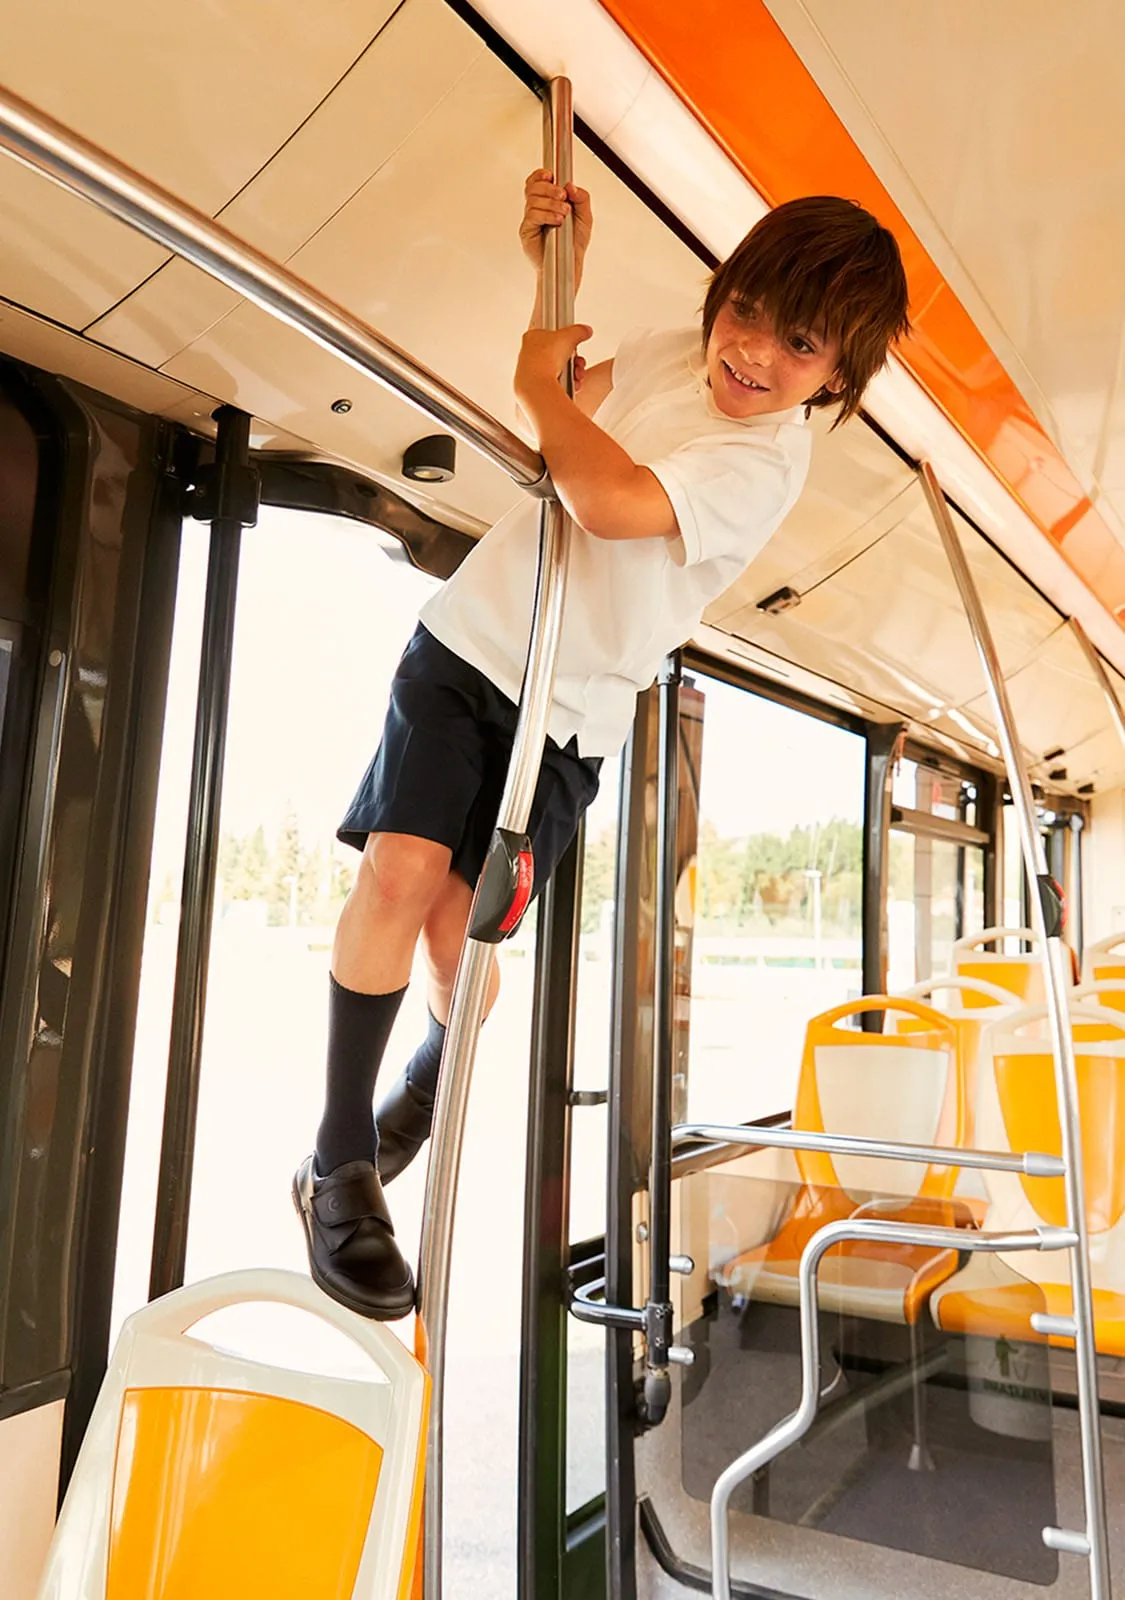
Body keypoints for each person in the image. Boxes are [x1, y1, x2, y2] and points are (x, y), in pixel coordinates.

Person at [293, 169, 910, 1319]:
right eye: (746, 314)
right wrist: (550, 276)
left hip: (571, 712)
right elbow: (578, 403)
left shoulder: (766, 464)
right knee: (400, 869)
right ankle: (339, 1164)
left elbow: (612, 494)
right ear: (722, 292)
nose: (753, 355)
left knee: (455, 942)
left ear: (838, 378)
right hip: (472, 646)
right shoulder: (685, 344)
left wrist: (541, 387)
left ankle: (424, 1075)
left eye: (800, 346)